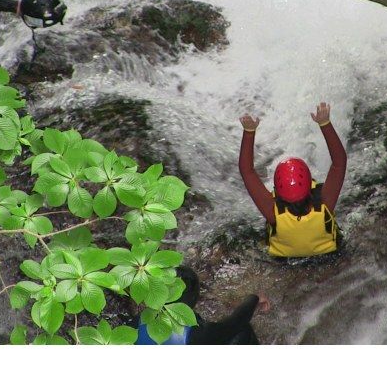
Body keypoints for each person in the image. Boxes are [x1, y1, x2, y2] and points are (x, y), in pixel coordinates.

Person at [238, 101, 347, 258]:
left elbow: (246, 171)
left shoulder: (272, 212)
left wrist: (249, 132)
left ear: (277, 190)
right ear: (310, 183)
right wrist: (325, 123)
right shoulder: (324, 204)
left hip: (284, 262)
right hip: (328, 258)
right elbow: (339, 162)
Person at [134, 267, 270, 345]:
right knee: (243, 332)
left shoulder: (137, 321)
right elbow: (236, 322)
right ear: (194, 298)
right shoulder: (196, 335)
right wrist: (254, 299)